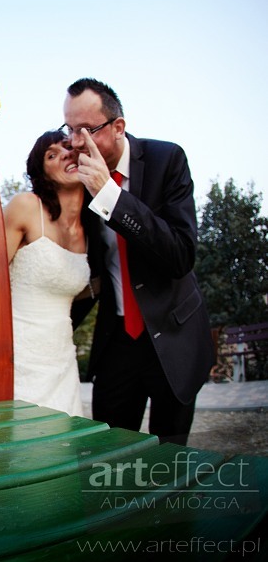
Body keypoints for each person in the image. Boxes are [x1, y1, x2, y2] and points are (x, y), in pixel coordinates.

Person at [62, 78, 213, 445]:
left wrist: (110, 196)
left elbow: (180, 255)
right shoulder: (75, 180)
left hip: (173, 334)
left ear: (118, 127)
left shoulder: (168, 160)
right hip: (117, 341)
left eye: (87, 129)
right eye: (69, 129)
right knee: (113, 457)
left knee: (171, 461)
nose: (77, 142)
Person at [0, 130, 91, 417]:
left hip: (61, 357)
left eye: (67, 146)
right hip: (19, 355)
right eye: (52, 154)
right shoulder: (26, 207)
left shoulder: (92, 226)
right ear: (42, 173)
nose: (65, 153)